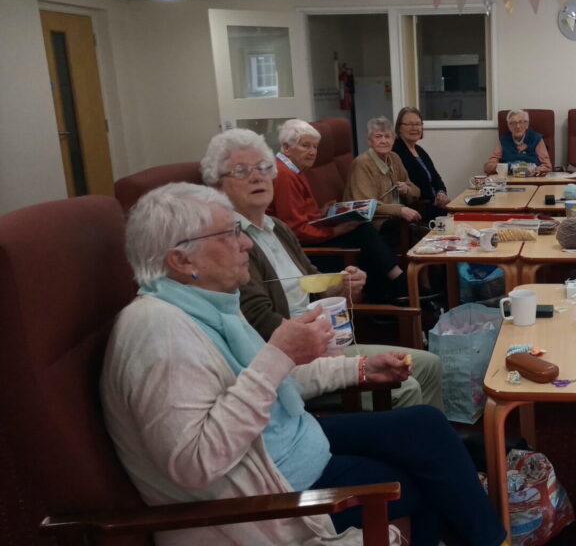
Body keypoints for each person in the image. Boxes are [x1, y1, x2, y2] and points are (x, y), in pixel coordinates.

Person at [102, 182, 506, 546]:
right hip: (267, 488)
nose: (245, 244)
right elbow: (194, 465)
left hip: (287, 444)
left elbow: (279, 381)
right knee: (420, 483)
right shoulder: (158, 332)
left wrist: (361, 369)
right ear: (180, 260)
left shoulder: (211, 303)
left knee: (425, 426)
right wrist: (277, 354)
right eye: (230, 235)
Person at [200, 128, 443, 411]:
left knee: (429, 365)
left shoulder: (276, 227)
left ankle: (435, 442)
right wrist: (325, 345)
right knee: (407, 384)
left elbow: (312, 280)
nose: (257, 176)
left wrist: (341, 285)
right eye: (241, 171)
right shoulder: (232, 242)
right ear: (217, 187)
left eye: (263, 168)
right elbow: (260, 320)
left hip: (325, 342)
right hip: (294, 364)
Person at [266, 120, 412, 303]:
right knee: (363, 231)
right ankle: (399, 285)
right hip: (303, 252)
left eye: (315, 147)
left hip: (309, 237)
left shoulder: (294, 169)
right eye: (305, 146)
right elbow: (296, 231)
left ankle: (391, 293)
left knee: (363, 230)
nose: (312, 152)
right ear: (287, 148)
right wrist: (336, 230)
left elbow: (299, 215)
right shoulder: (285, 176)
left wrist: (321, 213)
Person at [345, 117, 423, 235]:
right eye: (378, 137)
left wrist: (407, 190)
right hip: (372, 224)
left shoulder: (394, 158)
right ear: (369, 141)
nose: (383, 141)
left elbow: (416, 191)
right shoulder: (362, 163)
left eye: (387, 136)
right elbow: (366, 205)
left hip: (395, 219)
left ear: (393, 140)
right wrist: (400, 210)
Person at [393, 106, 450, 223]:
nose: (414, 128)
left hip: (435, 205)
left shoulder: (419, 150)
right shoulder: (396, 151)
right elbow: (413, 184)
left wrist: (441, 193)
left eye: (418, 124)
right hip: (420, 209)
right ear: (399, 128)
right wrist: (434, 199)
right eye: (409, 124)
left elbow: (436, 177)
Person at [484, 109, 553, 175]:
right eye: (513, 123)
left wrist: (531, 169)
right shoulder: (504, 140)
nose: (518, 126)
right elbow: (488, 167)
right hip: (509, 179)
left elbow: (547, 166)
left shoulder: (536, 138)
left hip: (530, 179)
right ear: (509, 126)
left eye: (521, 122)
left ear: (527, 124)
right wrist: (509, 166)